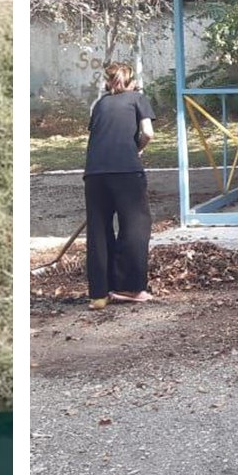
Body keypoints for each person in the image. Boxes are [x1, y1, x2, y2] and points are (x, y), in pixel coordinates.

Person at [83, 62, 154, 308]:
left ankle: (99, 293)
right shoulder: (137, 98)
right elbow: (148, 132)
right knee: (136, 224)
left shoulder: (100, 104)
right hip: (126, 170)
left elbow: (100, 135)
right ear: (131, 82)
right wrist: (137, 150)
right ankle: (130, 288)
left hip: (94, 174)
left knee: (98, 230)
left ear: (107, 82)